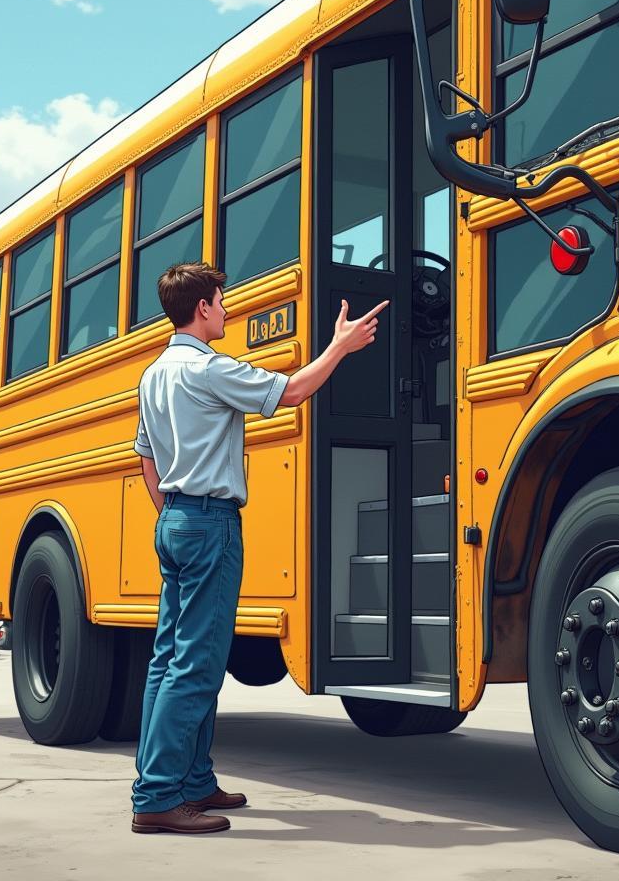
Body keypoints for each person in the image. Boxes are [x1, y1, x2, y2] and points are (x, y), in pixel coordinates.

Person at [131, 261, 387, 835]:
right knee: (196, 663)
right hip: (209, 521)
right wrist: (340, 347)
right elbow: (292, 391)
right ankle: (156, 798)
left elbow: (145, 456)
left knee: (168, 660)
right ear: (202, 309)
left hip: (173, 518)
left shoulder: (154, 374)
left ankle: (193, 781)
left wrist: (172, 514)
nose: (226, 311)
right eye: (222, 302)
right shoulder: (207, 368)